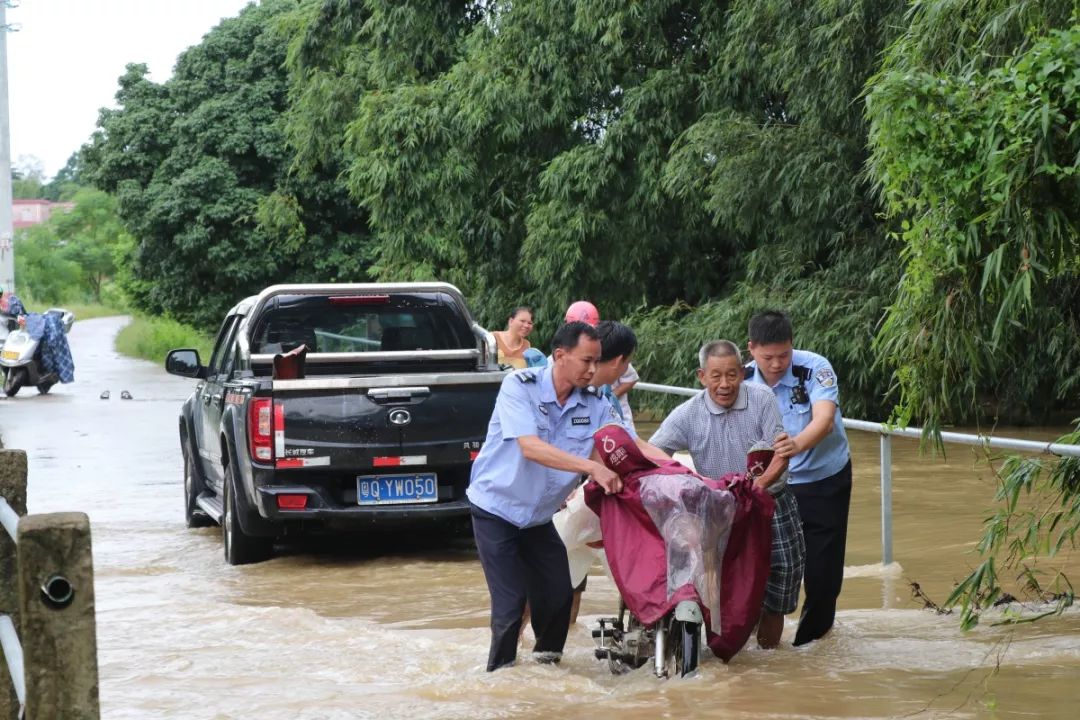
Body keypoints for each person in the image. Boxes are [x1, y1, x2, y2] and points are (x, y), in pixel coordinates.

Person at [467, 321, 624, 671]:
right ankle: (500, 680)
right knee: (511, 604)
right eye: (586, 360)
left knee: (558, 596)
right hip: (496, 510)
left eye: (597, 362)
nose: (593, 370)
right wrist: (592, 467)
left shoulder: (595, 403)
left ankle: (545, 673)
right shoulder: (518, 386)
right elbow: (531, 448)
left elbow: (622, 446)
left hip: (538, 518)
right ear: (559, 356)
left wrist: (676, 472)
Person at [649, 339, 802, 649]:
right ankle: (723, 657)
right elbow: (653, 454)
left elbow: (780, 453)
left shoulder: (762, 399)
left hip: (770, 501)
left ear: (742, 374)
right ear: (701, 376)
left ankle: (767, 662)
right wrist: (686, 482)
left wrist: (754, 490)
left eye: (732, 374)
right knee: (716, 587)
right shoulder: (687, 414)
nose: (724, 384)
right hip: (717, 509)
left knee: (779, 582)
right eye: (716, 376)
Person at [745, 310, 852, 647]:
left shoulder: (814, 368)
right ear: (751, 350)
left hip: (823, 479)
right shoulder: (741, 378)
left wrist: (795, 446)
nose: (777, 364)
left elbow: (824, 418)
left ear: (792, 345)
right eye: (768, 357)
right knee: (763, 567)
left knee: (822, 574)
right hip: (770, 487)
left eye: (783, 355)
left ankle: (812, 645)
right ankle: (760, 649)